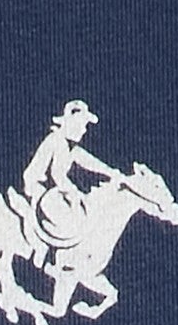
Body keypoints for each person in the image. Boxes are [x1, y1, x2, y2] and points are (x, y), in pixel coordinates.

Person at [9, 100, 122, 268]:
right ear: (69, 123)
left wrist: (110, 171)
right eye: (81, 125)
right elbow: (57, 174)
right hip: (37, 185)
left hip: (50, 186)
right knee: (62, 214)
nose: (84, 130)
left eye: (85, 126)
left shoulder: (70, 146)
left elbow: (87, 160)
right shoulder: (58, 141)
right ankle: (44, 250)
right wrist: (73, 191)